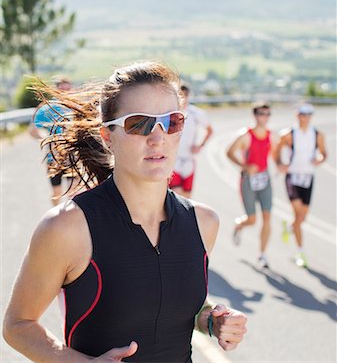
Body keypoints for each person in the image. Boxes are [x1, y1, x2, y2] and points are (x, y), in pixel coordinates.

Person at [3, 62, 247, 362]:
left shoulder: (203, 222)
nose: (158, 138)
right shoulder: (67, 227)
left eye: (171, 121)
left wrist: (212, 319)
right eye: (139, 124)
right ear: (108, 136)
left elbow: (172, 300)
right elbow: (18, 325)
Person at [274, 103, 327, 268]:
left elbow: (324, 153)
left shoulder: (317, 134)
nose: (305, 117)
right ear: (297, 115)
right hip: (293, 177)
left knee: (302, 218)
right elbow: (275, 151)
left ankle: (290, 228)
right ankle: (300, 251)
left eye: (308, 114)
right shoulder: (288, 134)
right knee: (297, 214)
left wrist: (319, 159)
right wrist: (280, 164)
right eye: (302, 114)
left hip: (308, 177)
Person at [226, 102, 275, 269]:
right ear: (255, 115)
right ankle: (240, 224)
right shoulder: (246, 135)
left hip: (265, 179)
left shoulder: (271, 135)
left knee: (267, 217)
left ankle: (262, 254)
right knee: (252, 220)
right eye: (261, 113)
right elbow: (229, 152)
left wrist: (283, 164)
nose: (265, 117)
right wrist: (245, 166)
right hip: (248, 180)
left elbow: (275, 154)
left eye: (267, 114)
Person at [29, 76, 74, 205]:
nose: (65, 91)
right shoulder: (47, 108)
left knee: (74, 192)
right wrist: (46, 139)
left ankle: (72, 221)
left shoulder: (75, 106)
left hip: (72, 156)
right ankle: (55, 218)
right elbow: (32, 130)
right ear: (56, 90)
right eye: (62, 88)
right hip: (53, 158)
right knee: (57, 193)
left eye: (67, 88)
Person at [169, 83, 213, 198]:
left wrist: (200, 145)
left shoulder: (196, 113)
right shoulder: (170, 113)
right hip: (174, 160)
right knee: (176, 194)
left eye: (186, 95)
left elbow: (209, 130)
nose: (184, 98)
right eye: (181, 95)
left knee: (187, 197)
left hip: (189, 159)